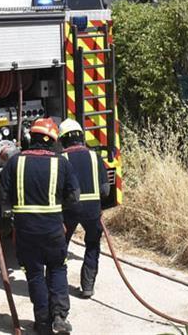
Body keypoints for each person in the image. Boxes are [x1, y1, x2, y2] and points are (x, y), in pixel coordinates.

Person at [0, 117, 80, 335]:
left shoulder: (15, 162)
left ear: (29, 138)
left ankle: (42, 323)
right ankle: (60, 317)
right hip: (53, 229)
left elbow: (3, 196)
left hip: (26, 230)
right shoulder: (61, 162)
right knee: (57, 268)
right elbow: (73, 197)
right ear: (52, 140)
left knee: (35, 274)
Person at [59, 119, 109, 299]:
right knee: (92, 245)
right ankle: (87, 286)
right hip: (92, 210)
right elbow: (105, 189)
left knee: (61, 246)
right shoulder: (95, 156)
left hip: (69, 210)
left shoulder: (61, 159)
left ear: (63, 139)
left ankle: (59, 286)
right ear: (81, 137)